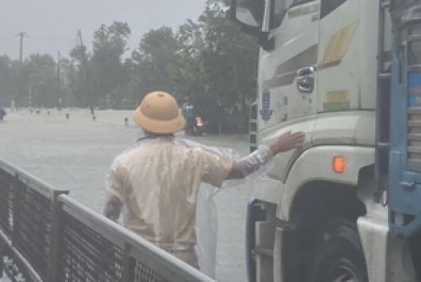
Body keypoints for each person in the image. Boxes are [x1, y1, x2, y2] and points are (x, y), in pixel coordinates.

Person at [104, 90, 304, 268]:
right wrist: (273, 148)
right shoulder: (194, 158)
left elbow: (112, 209)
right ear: (175, 124)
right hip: (182, 262)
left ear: (142, 124)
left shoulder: (124, 163)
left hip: (141, 258)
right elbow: (241, 169)